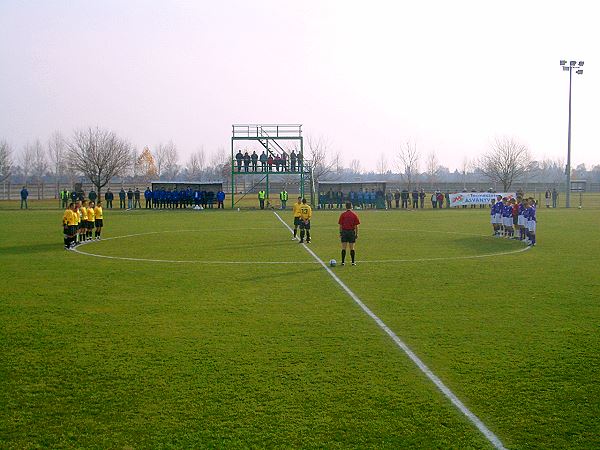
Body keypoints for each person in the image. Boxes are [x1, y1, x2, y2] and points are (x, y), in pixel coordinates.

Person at [338, 201, 360, 266]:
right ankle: (353, 262)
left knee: (343, 247)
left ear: (346, 207)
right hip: (351, 232)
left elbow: (340, 225)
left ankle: (343, 262)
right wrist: (356, 234)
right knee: (352, 248)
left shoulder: (343, 214)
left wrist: (340, 233)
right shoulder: (354, 215)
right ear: (351, 207)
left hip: (344, 232)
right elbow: (356, 226)